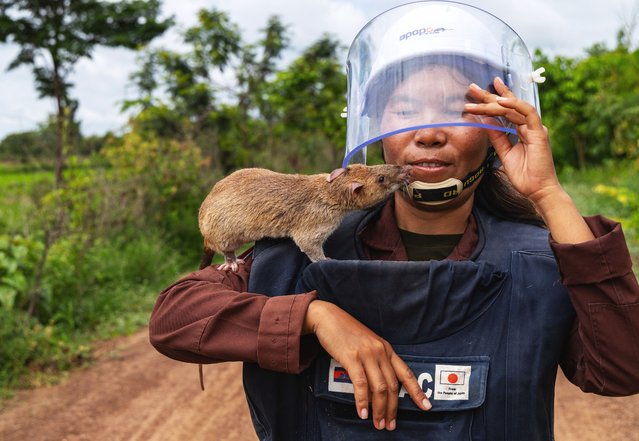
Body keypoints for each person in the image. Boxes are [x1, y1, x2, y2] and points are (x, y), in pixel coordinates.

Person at [149, 2, 639, 440]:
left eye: (456, 108)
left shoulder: (540, 259)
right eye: (405, 110)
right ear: (377, 128)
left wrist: (548, 195)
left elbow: (623, 368)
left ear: (497, 124)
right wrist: (313, 316)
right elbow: (174, 319)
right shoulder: (300, 242)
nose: (426, 132)